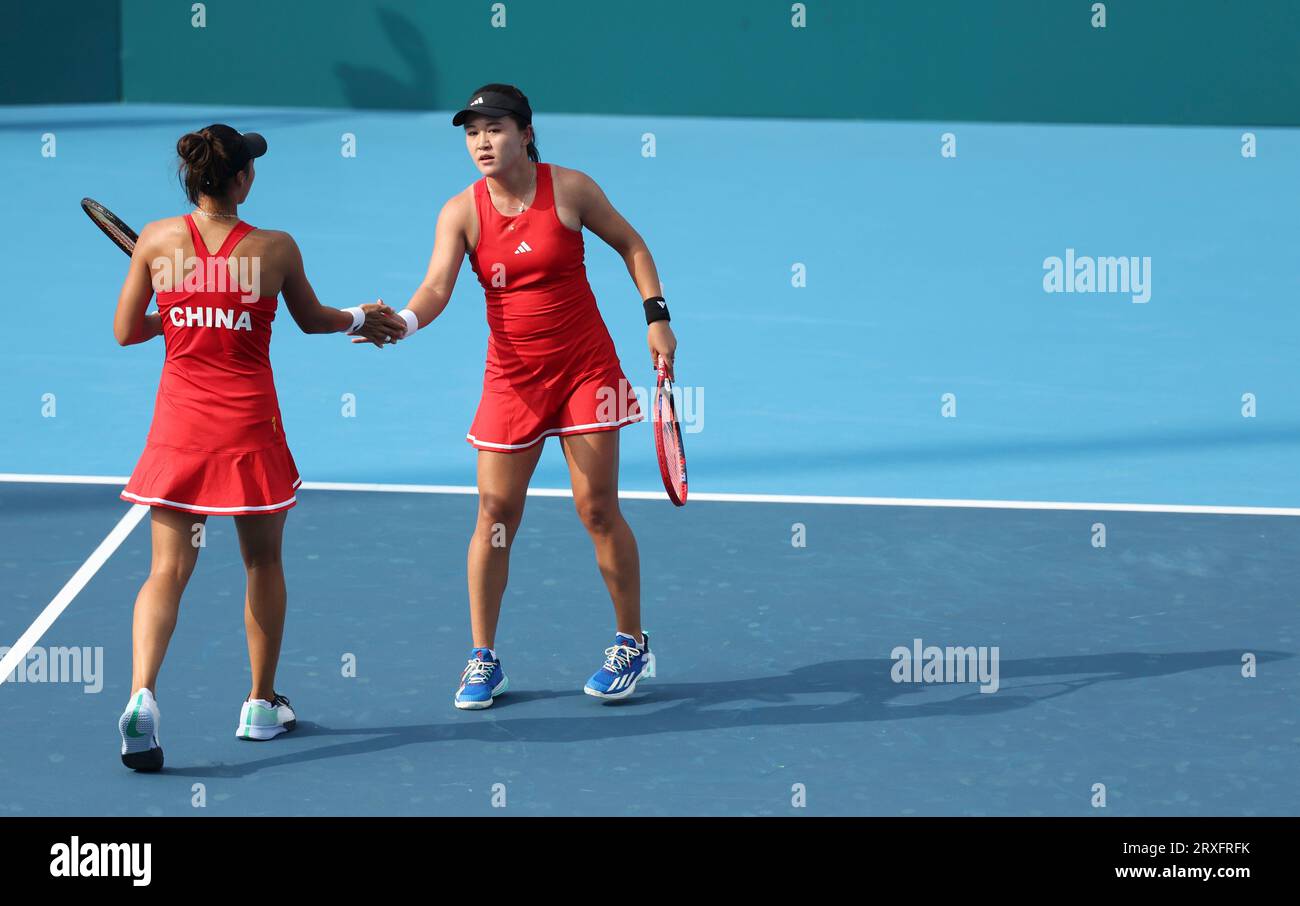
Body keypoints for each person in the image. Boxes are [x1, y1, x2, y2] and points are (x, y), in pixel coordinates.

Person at [112, 123, 405, 770]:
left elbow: (127, 331)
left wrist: (181, 313)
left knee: (167, 570)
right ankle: (260, 703)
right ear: (243, 179)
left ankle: (141, 695)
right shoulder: (276, 249)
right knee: (262, 565)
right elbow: (312, 319)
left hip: (179, 430)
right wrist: (363, 318)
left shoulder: (158, 241)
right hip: (249, 433)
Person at [377, 84, 677, 709]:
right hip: (512, 379)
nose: (482, 142)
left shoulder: (570, 189)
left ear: (526, 133)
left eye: (495, 129)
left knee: (596, 509)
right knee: (494, 517)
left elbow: (633, 244)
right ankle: (483, 658)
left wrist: (656, 316)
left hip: (584, 371)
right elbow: (436, 287)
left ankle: (631, 640)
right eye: (472, 132)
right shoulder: (461, 211)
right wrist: (404, 322)